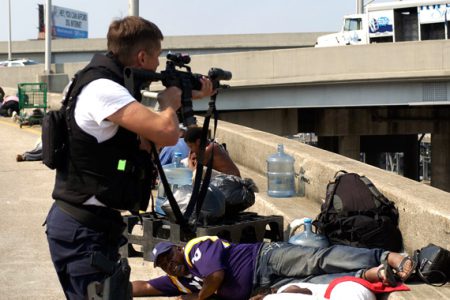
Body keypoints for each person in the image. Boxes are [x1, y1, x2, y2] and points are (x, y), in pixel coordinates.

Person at [44, 16, 215, 300]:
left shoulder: (98, 81)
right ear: (142, 56)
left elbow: (136, 141)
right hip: (83, 231)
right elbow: (166, 133)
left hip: (88, 226)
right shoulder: (103, 89)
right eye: (157, 57)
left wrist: (190, 92)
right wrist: (169, 104)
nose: (159, 66)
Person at [131, 236, 415, 300]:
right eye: (163, 265)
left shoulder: (195, 249)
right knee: (320, 282)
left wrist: (197, 298)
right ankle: (374, 276)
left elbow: (216, 277)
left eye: (169, 257)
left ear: (178, 249)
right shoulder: (179, 280)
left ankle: (386, 255)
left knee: (317, 258)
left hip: (264, 258)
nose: (169, 265)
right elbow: (143, 287)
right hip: (264, 288)